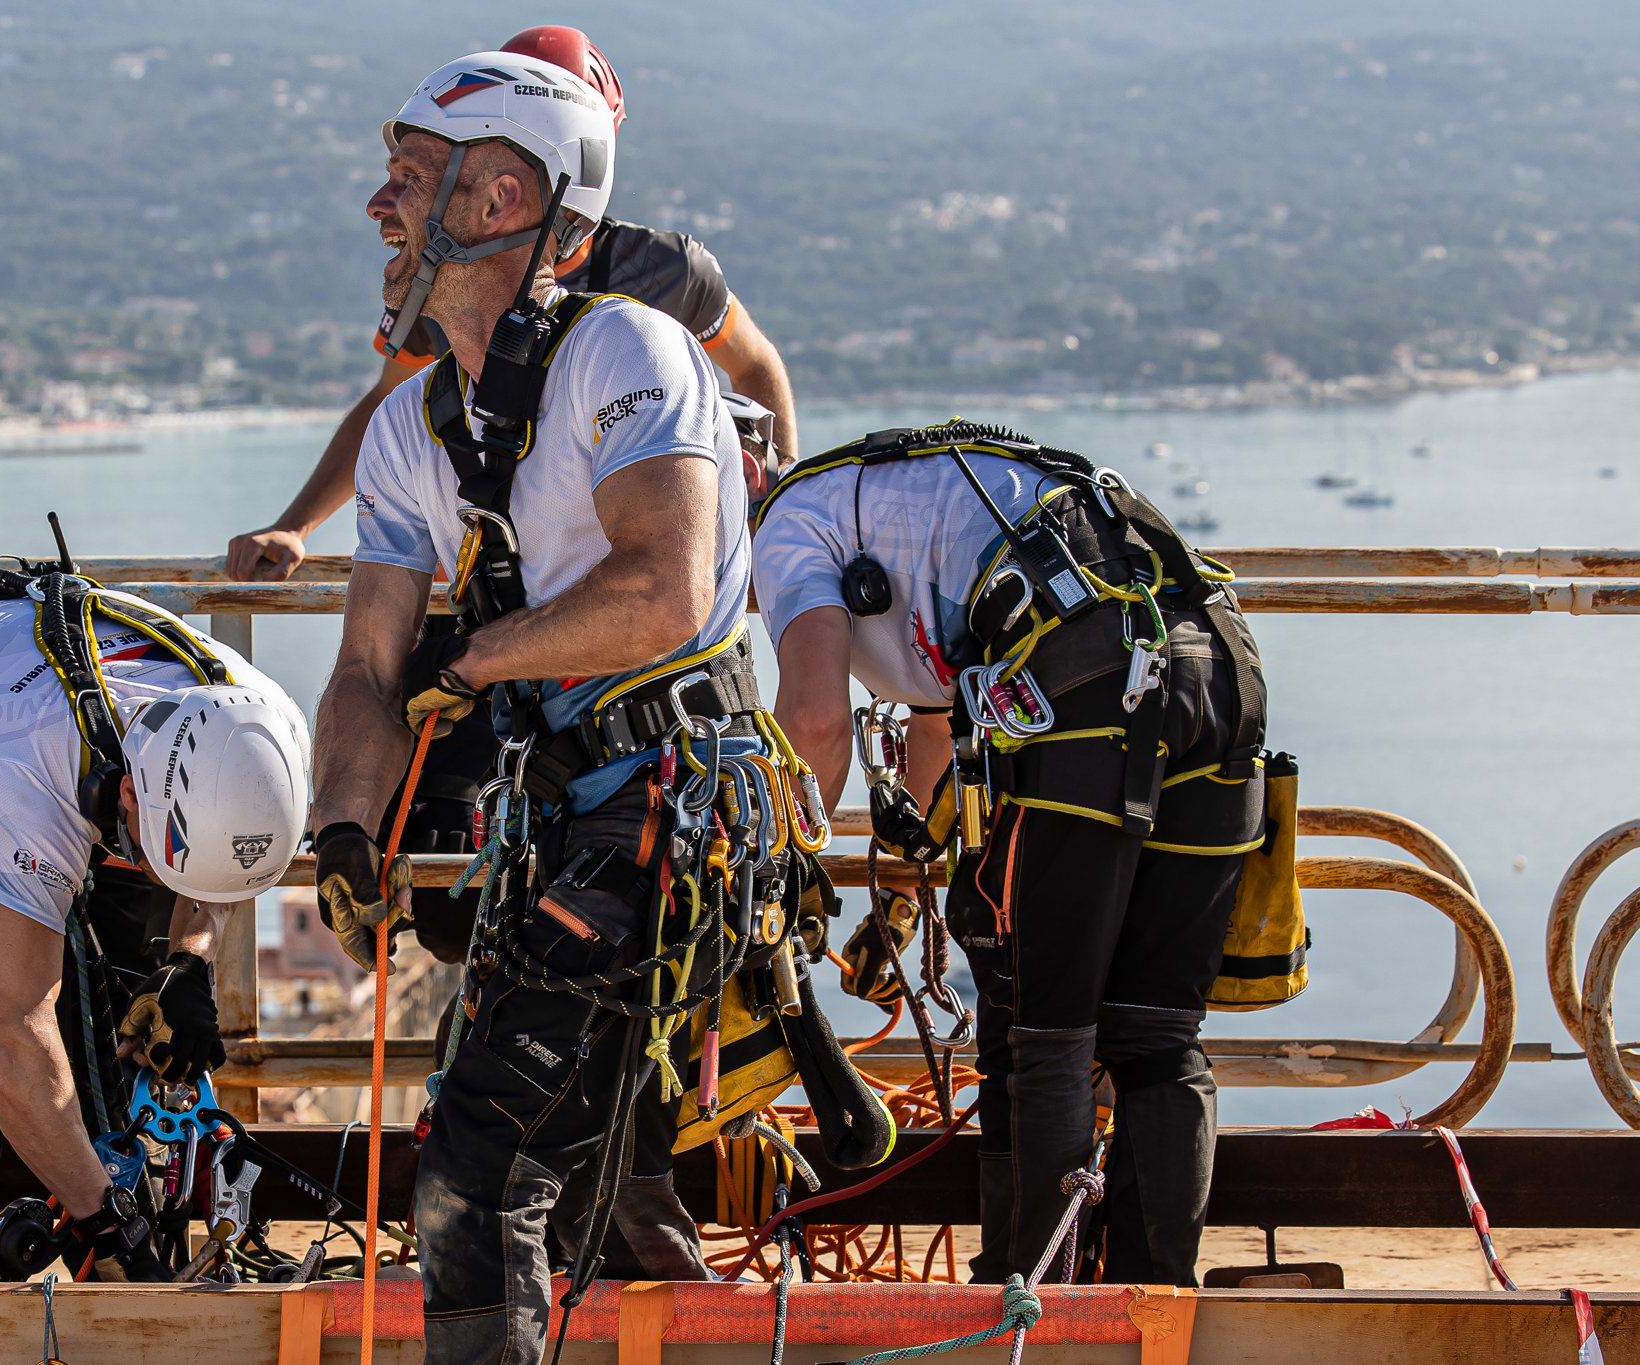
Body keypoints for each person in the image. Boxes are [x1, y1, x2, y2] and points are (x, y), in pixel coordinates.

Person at [309, 50, 764, 1362]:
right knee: (554, 1179)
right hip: (565, 821)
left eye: (409, 178)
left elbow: (663, 590)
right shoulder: (412, 429)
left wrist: (469, 661)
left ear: (502, 195)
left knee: (477, 1169)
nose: (379, 206)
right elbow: (366, 670)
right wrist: (345, 829)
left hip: (669, 803)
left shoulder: (627, 349)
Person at [753, 422, 1269, 1287]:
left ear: (739, 474)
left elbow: (814, 719)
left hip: (1089, 683)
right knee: (1157, 1036)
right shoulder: (909, 494)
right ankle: (1152, 1308)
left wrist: (781, 874)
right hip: (1216, 664)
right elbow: (935, 719)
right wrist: (903, 905)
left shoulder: (786, 518)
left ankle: (1030, 1314)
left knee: (1042, 1034)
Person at [0, 563, 309, 1280]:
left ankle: (132, 1307)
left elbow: (221, 865)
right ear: (131, 796)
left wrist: (189, 959)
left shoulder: (267, 730)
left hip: (85, 752)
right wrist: (105, 1221)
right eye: (160, 861)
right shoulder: (22, 774)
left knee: (128, 1067)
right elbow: (8, 1031)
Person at [225, 25, 796, 591]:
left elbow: (755, 366)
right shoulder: (433, 271)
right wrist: (296, 525)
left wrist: (777, 510)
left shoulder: (666, 268)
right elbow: (388, 403)